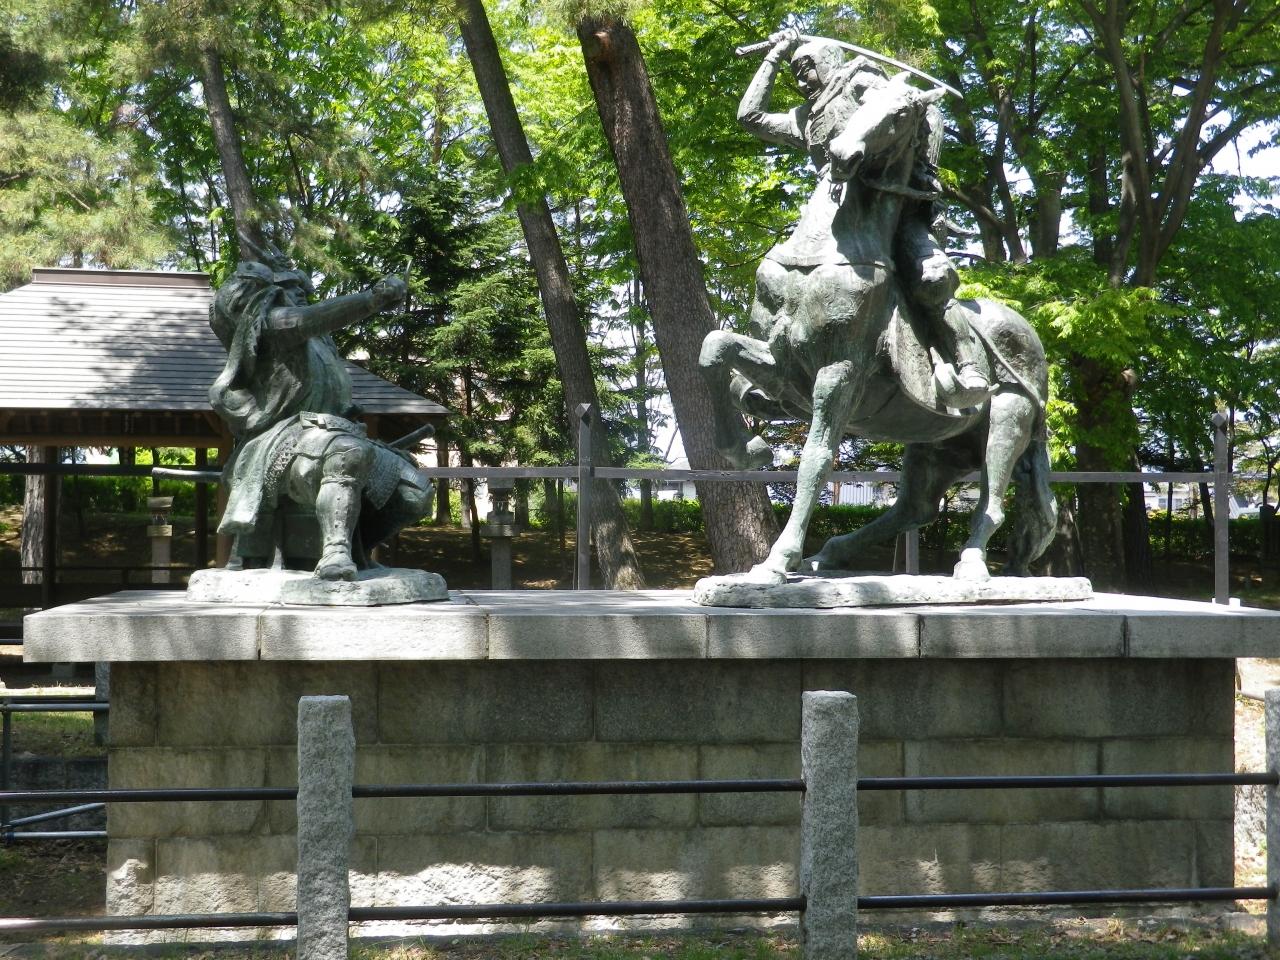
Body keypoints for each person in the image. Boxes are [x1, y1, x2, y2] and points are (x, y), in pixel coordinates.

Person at [737, 28, 992, 406]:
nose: (802, 78)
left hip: (889, 207)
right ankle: (775, 367)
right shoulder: (807, 118)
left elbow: (900, 107)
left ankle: (969, 366)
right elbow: (750, 116)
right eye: (795, 71)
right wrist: (774, 57)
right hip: (832, 214)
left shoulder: (862, 85)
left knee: (932, 276)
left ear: (827, 61)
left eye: (806, 67)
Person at [208, 241, 431, 580]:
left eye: (303, 289)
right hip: (279, 439)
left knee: (415, 492)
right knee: (347, 453)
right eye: (291, 289)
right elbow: (303, 320)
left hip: (330, 431)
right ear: (271, 293)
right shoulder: (270, 327)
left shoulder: (321, 345)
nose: (301, 294)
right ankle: (335, 553)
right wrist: (373, 298)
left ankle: (358, 548)